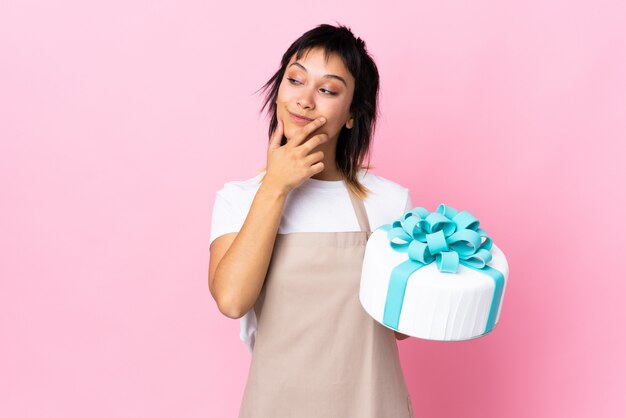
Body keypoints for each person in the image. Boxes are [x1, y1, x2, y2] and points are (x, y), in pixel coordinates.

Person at [208, 23, 414, 418]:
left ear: (352, 114)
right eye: (295, 79)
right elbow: (232, 300)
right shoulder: (240, 199)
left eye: (327, 90)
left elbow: (401, 327)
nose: (303, 100)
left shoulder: (389, 201)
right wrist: (276, 186)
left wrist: (445, 268)